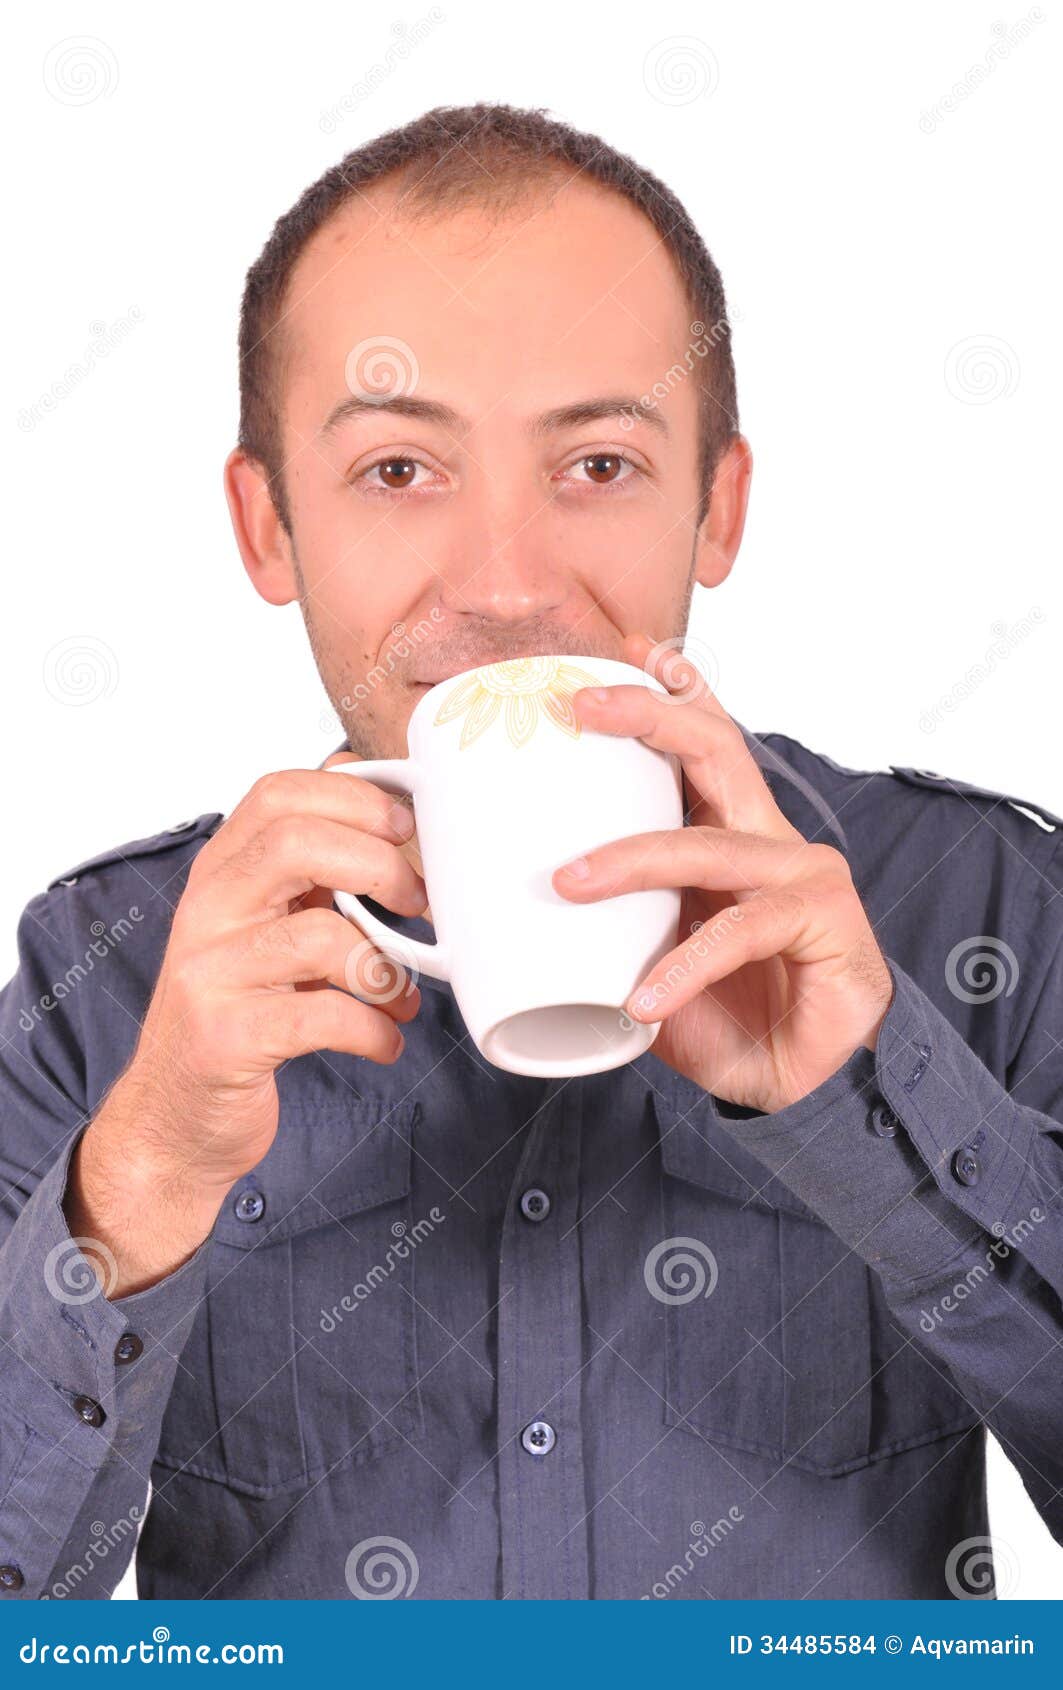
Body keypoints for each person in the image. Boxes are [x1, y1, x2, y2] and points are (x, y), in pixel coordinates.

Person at [2, 103, 1061, 1603]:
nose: (506, 588)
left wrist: (877, 1099)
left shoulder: (978, 910)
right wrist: (141, 1178)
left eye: (601, 466)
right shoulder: (109, 983)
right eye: (396, 472)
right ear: (268, 529)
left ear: (720, 504)